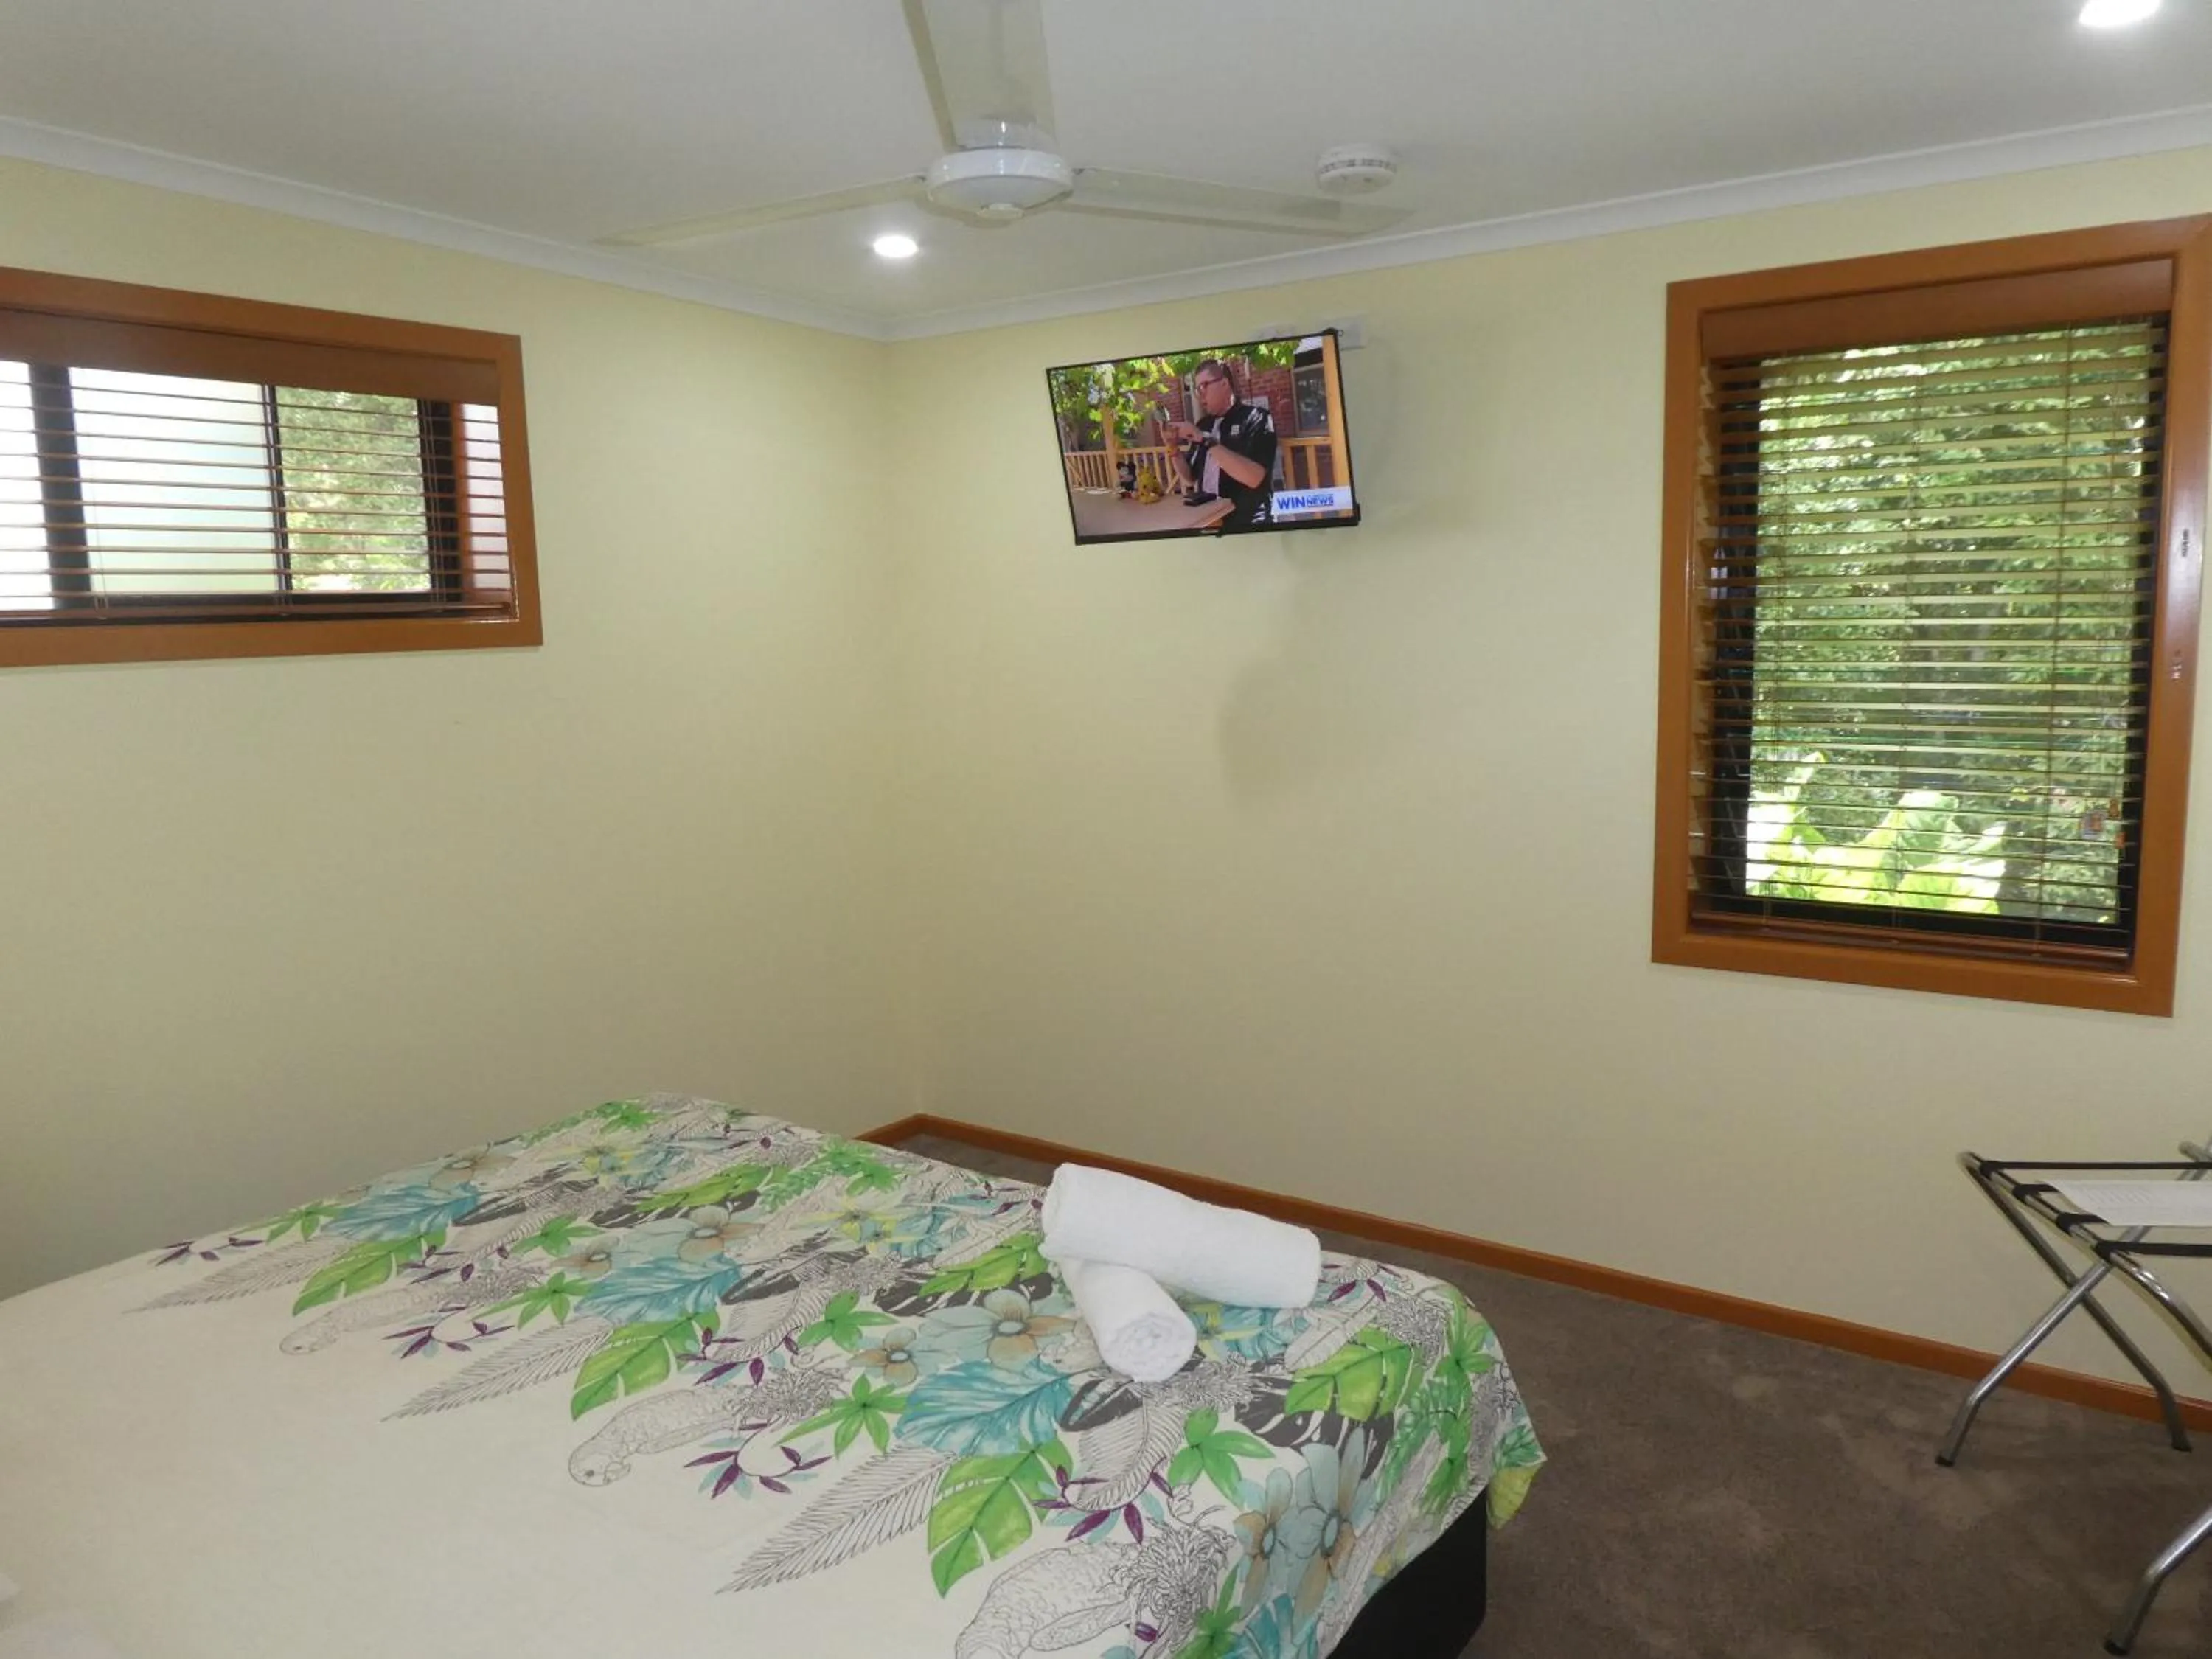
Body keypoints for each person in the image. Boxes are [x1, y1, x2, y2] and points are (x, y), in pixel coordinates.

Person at [1166, 358, 1276, 528]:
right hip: (1209, 520)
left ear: (1225, 384)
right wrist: (1173, 447)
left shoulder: (1256, 417)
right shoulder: (1204, 424)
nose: (1199, 394)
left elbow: (1254, 478)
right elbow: (1189, 478)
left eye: (1204, 386)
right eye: (1196, 389)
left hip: (1247, 523)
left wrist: (1205, 439)